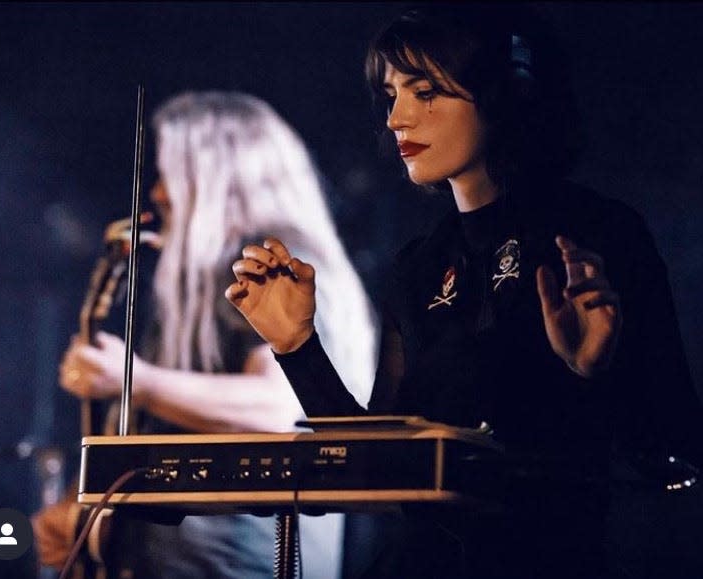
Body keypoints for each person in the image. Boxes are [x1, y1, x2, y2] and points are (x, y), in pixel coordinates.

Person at [226, 5, 703, 578]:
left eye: (425, 92)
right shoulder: (418, 267)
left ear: (504, 95)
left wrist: (594, 373)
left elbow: (674, 455)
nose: (398, 117)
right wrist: (297, 348)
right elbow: (384, 469)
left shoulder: (599, 232)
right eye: (391, 94)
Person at [32, 91, 377, 579]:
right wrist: (77, 509)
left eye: (170, 173)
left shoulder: (271, 260)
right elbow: (147, 426)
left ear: (220, 174)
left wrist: (133, 378)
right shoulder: (196, 280)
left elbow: (280, 406)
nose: (155, 193)